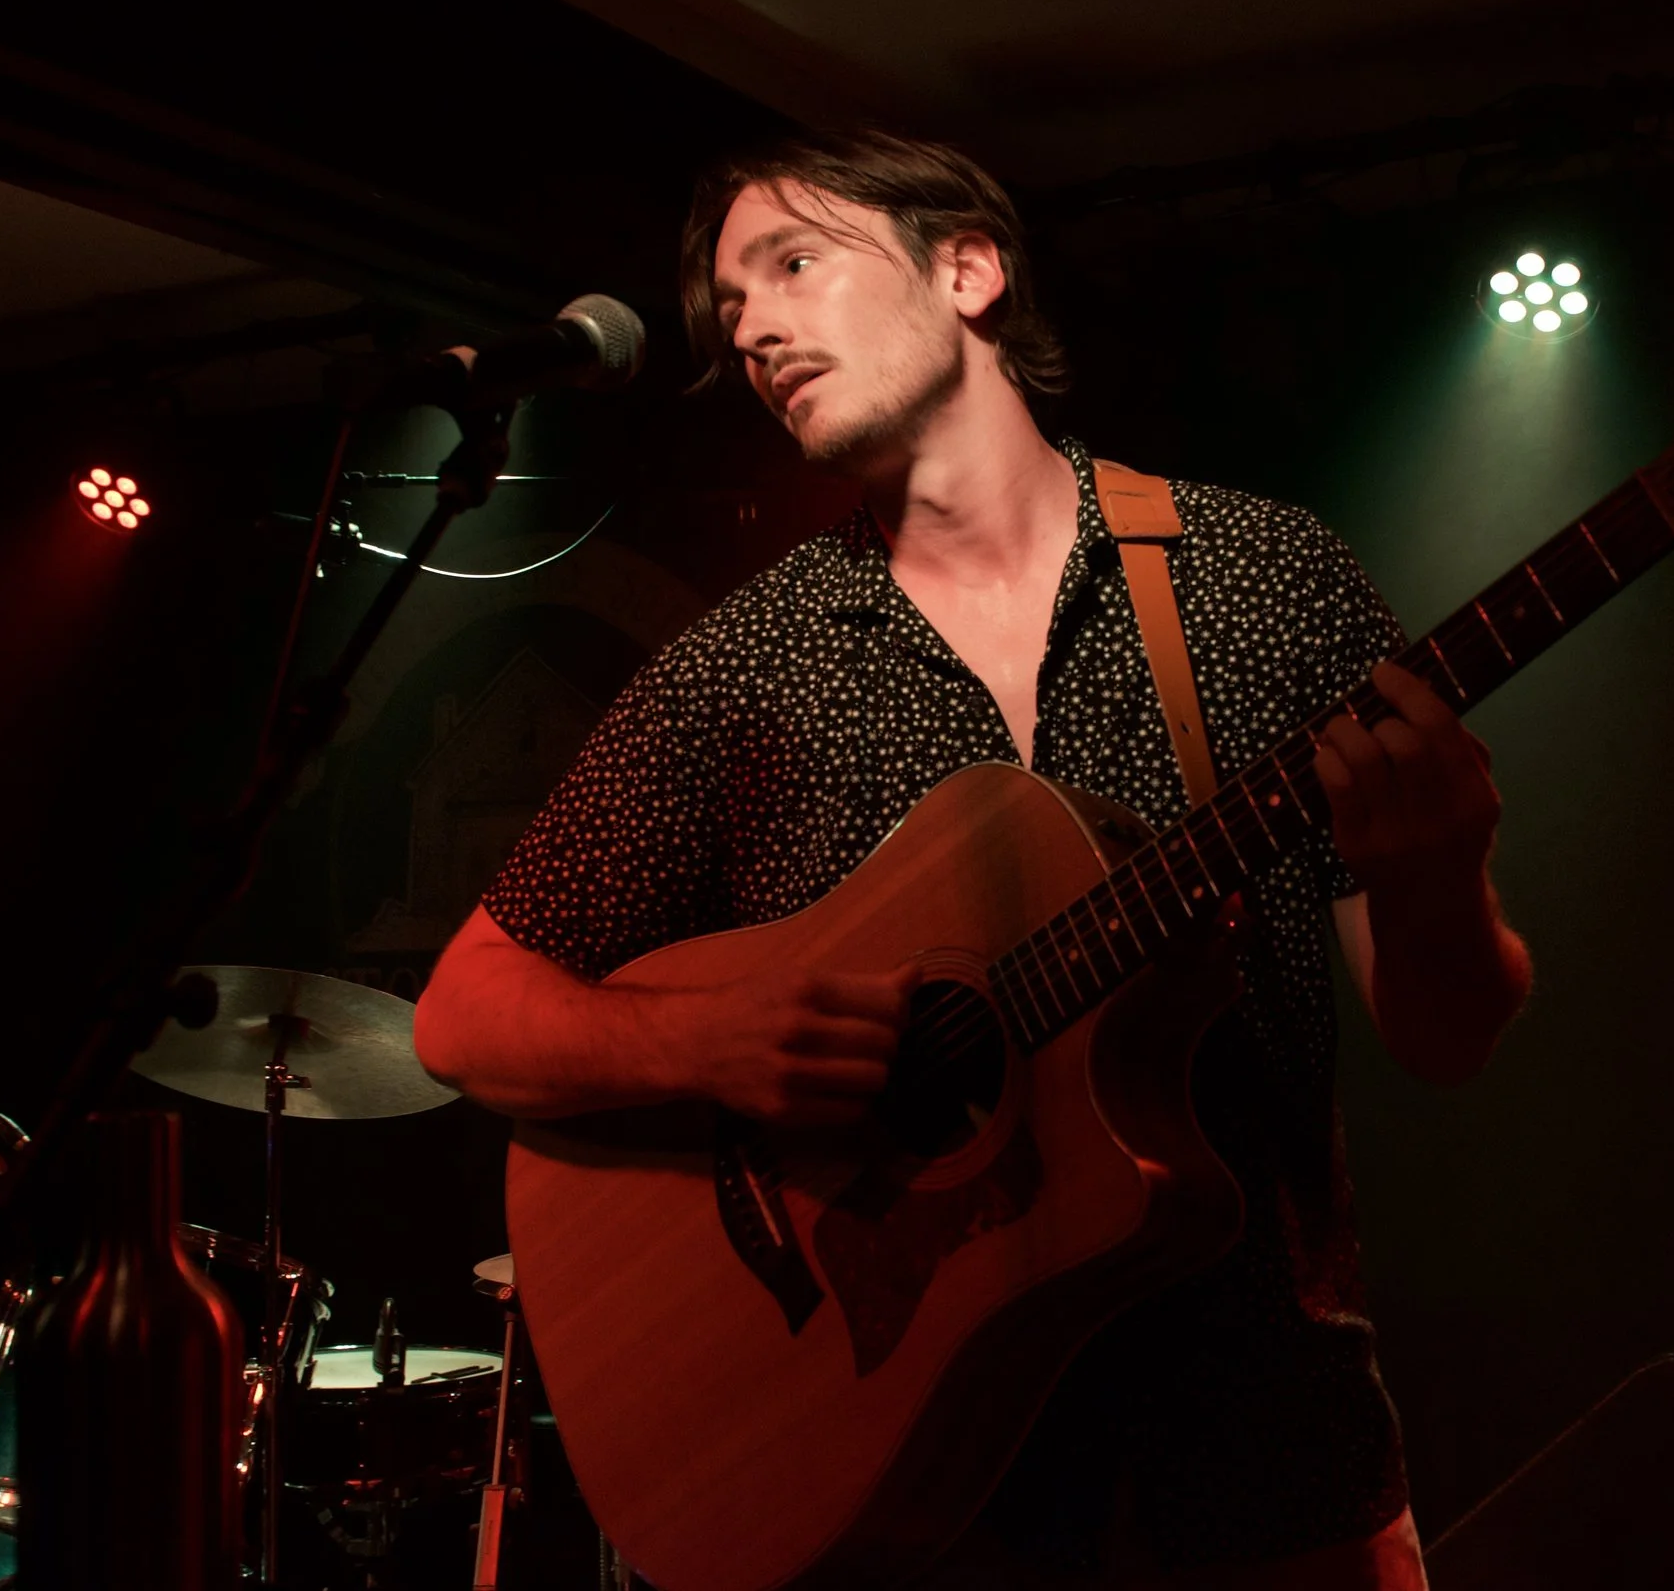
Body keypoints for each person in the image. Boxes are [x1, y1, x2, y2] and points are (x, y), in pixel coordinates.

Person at [413, 130, 1532, 1590]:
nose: (750, 327)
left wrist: (1439, 879)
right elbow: (464, 1010)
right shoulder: (739, 670)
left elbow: (1447, 1037)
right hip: (904, 1513)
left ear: (970, 270)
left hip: (1269, 1473)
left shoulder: (1260, 576)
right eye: (730, 304)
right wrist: (718, 1040)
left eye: (792, 265)